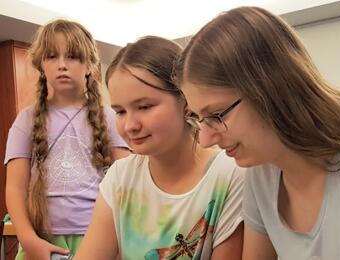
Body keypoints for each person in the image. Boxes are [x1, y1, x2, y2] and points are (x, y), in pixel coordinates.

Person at [174, 5, 340, 260]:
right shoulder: (262, 172)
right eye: (199, 120)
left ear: (270, 86)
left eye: (217, 115)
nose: (205, 139)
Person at [75, 36, 245, 260]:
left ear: (186, 101)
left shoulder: (230, 175)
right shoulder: (120, 177)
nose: (130, 126)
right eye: (120, 111)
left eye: (144, 107)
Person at [5, 19, 129, 260]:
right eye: (52, 56)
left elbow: (127, 184)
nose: (62, 65)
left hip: (100, 236)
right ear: (41, 64)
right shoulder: (26, 120)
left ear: (90, 64)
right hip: (41, 239)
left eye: (72, 56)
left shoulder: (111, 118)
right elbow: (15, 187)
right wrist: (29, 240)